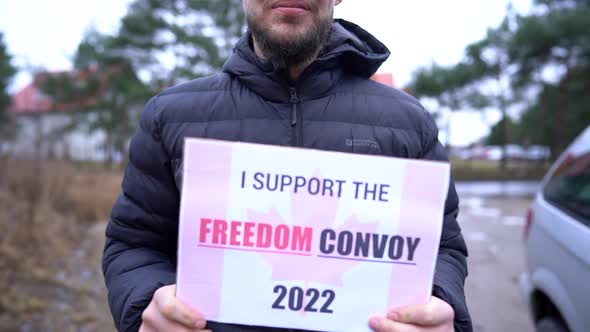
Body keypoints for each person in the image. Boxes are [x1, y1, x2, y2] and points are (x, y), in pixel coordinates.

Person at [102, 0, 473, 331]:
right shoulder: (170, 116)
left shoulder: (407, 122)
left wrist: (442, 304)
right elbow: (134, 244)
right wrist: (146, 302)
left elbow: (443, 249)